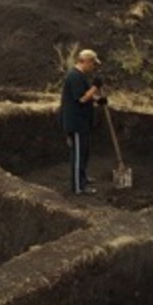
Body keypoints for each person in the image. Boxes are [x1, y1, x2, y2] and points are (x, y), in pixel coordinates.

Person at [59, 48, 105, 196]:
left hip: (83, 122)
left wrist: (98, 98)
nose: (94, 67)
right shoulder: (74, 76)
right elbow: (81, 98)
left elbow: (87, 95)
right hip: (76, 123)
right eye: (93, 64)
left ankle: (83, 178)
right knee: (78, 154)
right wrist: (96, 87)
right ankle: (78, 187)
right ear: (86, 61)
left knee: (84, 152)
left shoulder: (82, 76)